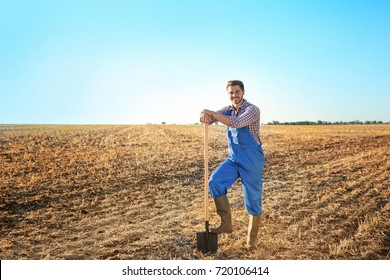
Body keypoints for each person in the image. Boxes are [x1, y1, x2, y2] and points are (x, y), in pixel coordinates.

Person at [199, 80, 265, 249]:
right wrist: (204, 116)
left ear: (243, 92)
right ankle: (226, 223)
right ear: (228, 94)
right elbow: (210, 119)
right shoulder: (228, 110)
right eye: (231, 93)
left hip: (252, 161)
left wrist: (212, 113)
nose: (234, 95)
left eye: (237, 92)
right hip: (234, 159)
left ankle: (252, 240)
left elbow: (234, 123)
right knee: (215, 182)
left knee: (253, 201)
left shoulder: (252, 110)